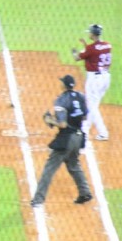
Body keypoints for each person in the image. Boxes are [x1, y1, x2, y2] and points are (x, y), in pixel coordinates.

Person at [30, 75, 93, 208]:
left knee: (49, 169)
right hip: (79, 137)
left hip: (67, 139)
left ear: (64, 85)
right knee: (73, 165)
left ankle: (38, 199)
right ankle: (85, 192)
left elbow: (63, 124)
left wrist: (49, 120)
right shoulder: (80, 97)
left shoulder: (61, 100)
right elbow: (85, 116)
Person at [72, 24, 112, 141]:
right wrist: (86, 46)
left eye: (90, 32)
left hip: (95, 79)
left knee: (92, 106)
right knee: (93, 104)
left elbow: (77, 57)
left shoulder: (90, 48)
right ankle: (85, 129)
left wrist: (74, 51)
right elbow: (95, 54)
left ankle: (103, 132)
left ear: (93, 34)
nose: (88, 33)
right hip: (106, 78)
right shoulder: (107, 45)